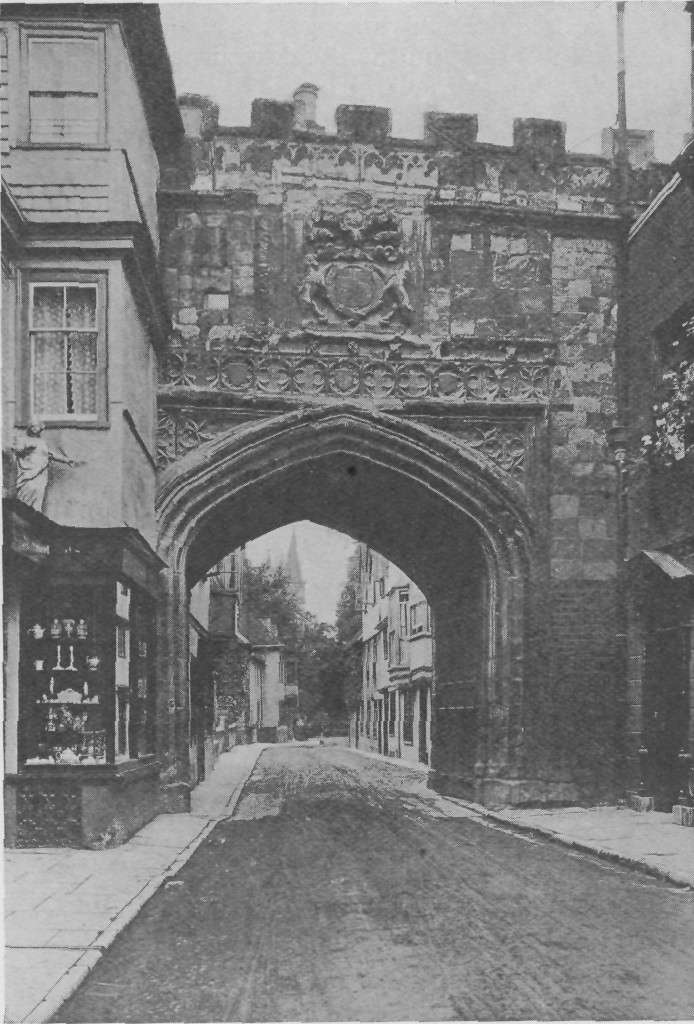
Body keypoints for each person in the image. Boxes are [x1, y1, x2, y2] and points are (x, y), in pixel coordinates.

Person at [11, 419, 75, 512]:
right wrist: (25, 448)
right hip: (28, 474)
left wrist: (66, 460)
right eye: (32, 426)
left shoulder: (41, 442)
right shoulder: (23, 439)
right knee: (26, 495)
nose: (34, 428)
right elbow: (17, 450)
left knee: (38, 497)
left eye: (37, 426)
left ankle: (36, 520)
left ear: (40, 428)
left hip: (40, 474)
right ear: (29, 427)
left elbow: (50, 454)